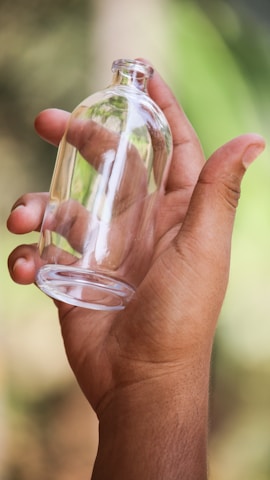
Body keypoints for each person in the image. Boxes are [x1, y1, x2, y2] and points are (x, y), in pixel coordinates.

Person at [6, 63, 265, 480]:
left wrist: (157, 375)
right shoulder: (105, 111)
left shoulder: (147, 124)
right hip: (76, 280)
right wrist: (151, 386)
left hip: (113, 293)